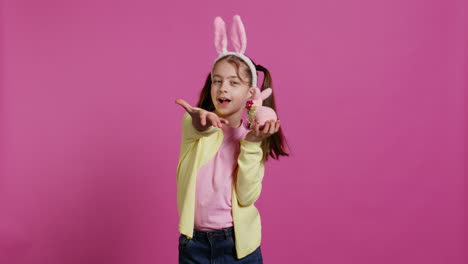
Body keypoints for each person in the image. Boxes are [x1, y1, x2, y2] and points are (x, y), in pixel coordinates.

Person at [175, 15, 288, 263]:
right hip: (194, 246)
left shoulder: (251, 138)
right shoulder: (195, 123)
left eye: (233, 82)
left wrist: (252, 144)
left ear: (250, 93)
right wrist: (199, 121)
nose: (222, 88)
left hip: (237, 245)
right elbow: (198, 126)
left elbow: (247, 196)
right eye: (217, 81)